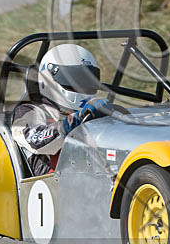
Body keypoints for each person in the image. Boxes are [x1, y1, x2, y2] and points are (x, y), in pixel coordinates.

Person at [11, 44, 111, 176]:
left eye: (85, 79)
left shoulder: (92, 109)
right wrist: (67, 126)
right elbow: (35, 139)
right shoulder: (30, 111)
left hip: (96, 176)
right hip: (54, 182)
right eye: (73, 78)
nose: (80, 85)